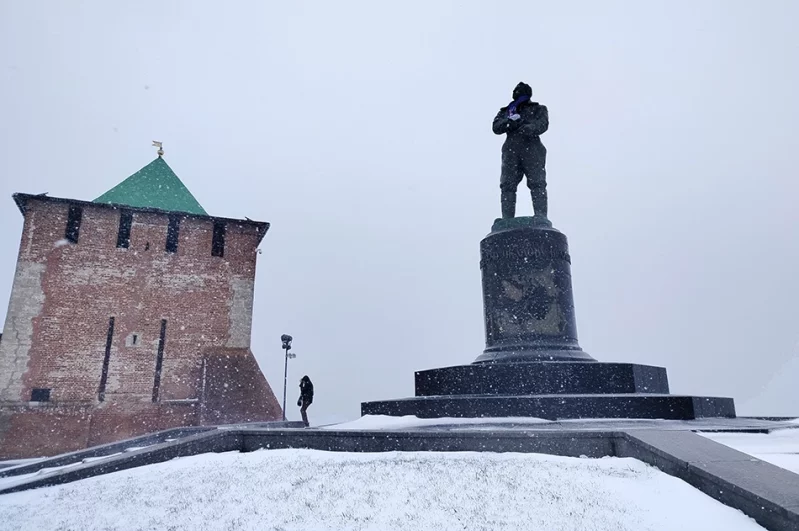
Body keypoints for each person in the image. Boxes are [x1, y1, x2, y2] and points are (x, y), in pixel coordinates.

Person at [492, 82, 550, 219]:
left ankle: (541, 217)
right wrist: (510, 122)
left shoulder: (538, 109)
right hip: (511, 149)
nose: (517, 92)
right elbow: (496, 127)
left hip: (532, 147)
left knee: (537, 182)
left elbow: (543, 124)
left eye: (520, 91)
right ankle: (507, 220)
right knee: (507, 184)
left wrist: (529, 127)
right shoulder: (505, 111)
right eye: (515, 90)